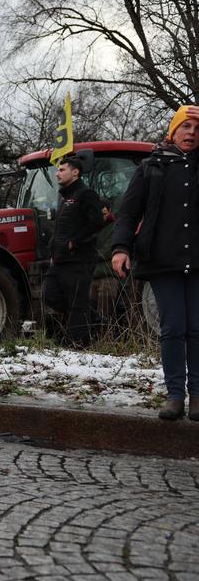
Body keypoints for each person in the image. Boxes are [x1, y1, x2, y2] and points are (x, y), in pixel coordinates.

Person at [112, 105, 199, 420]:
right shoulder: (151, 167)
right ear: (173, 131)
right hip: (163, 260)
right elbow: (128, 213)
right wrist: (121, 248)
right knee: (173, 328)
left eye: (197, 128)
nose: (191, 133)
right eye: (186, 126)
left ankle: (198, 396)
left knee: (197, 328)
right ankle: (175, 396)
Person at [43, 156, 104, 347]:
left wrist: (74, 243)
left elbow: (96, 223)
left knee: (77, 305)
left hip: (79, 259)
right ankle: (94, 319)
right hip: (59, 259)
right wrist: (54, 250)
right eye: (58, 170)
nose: (57, 173)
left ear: (75, 172)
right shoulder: (64, 197)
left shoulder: (86, 194)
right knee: (49, 295)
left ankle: (78, 346)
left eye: (62, 170)